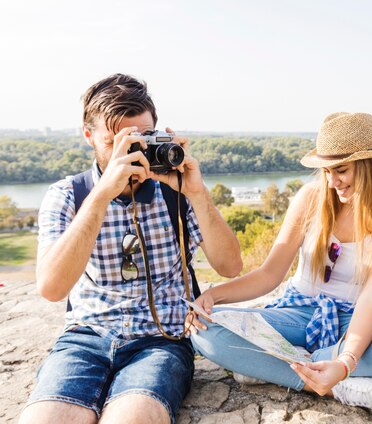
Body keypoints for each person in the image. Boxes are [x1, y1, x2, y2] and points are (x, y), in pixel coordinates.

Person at [20, 73, 242, 424]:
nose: (132, 156)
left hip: (161, 340)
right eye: (117, 144)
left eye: (140, 140)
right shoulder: (67, 195)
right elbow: (51, 287)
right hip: (85, 338)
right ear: (88, 135)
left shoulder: (176, 192)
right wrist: (102, 195)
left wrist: (197, 194)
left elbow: (230, 265)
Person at [189, 112, 372, 417]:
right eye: (326, 171)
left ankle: (292, 365)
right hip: (297, 313)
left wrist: (346, 360)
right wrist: (214, 296)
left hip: (355, 321)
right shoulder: (311, 198)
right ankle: (334, 385)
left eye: (341, 170)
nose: (332, 181)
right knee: (202, 330)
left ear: (369, 167)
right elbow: (269, 274)